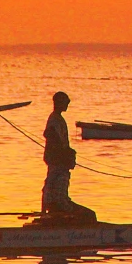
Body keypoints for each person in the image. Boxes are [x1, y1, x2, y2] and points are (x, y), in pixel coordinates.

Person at [41, 90, 97, 222]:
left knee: (53, 187)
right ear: (59, 103)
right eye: (66, 102)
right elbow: (50, 134)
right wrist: (63, 153)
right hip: (57, 159)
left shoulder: (57, 119)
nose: (68, 104)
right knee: (89, 215)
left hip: (58, 159)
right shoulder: (54, 119)